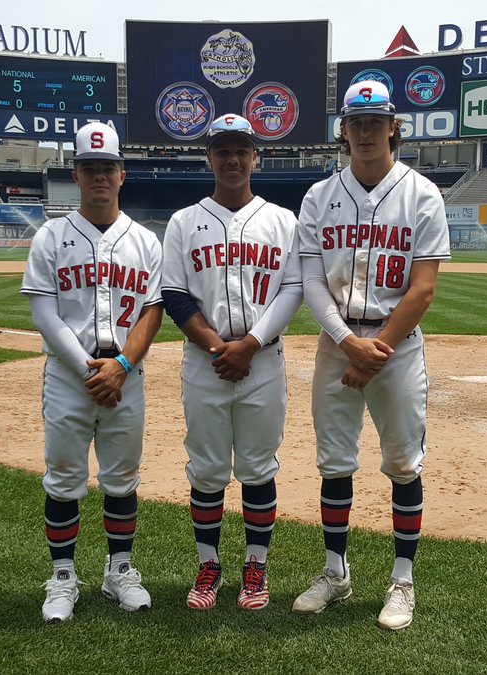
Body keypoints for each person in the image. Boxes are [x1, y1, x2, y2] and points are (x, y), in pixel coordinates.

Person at [292, 81, 451, 631]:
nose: (364, 132)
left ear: (392, 128)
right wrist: (347, 344)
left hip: (397, 351)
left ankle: (402, 581)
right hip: (338, 343)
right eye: (355, 123)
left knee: (404, 464)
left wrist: (373, 350)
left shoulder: (422, 194)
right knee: (334, 462)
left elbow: (423, 289)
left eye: (374, 121)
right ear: (345, 131)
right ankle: (336, 572)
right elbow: (312, 282)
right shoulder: (319, 196)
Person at [20, 122, 164, 623]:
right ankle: (62, 577)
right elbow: (44, 314)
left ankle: (119, 569)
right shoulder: (51, 236)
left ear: (122, 174)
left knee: (122, 479)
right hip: (69, 375)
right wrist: (91, 370)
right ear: (76, 175)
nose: (99, 176)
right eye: (89, 168)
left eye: (107, 168)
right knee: (64, 478)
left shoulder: (145, 240)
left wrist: (121, 366)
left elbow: (152, 310)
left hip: (127, 375)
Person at [160, 114, 303, 611]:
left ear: (255, 157)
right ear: (209, 158)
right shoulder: (184, 222)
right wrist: (218, 347)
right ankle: (209, 564)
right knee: (206, 470)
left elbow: (294, 288)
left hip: (263, 360)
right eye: (222, 150)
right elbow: (175, 295)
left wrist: (251, 343)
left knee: (259, 469)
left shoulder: (283, 220)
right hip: (205, 363)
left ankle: (256, 565)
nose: (233, 159)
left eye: (241, 149)